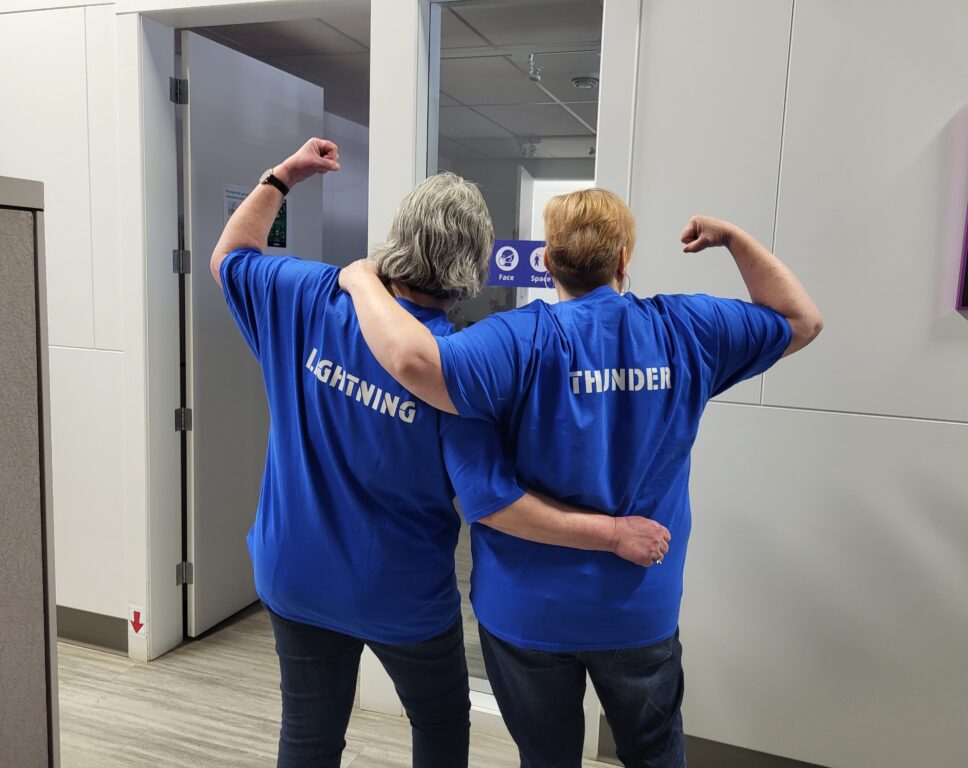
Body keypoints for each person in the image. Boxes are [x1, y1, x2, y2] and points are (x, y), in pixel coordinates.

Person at [210, 140, 672, 768]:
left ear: (396, 239)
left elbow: (231, 256)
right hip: (400, 595)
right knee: (440, 722)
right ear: (475, 270)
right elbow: (494, 501)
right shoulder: (457, 375)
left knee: (309, 736)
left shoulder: (309, 296)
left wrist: (284, 176)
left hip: (295, 574)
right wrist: (612, 530)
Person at [338, 187, 823, 767]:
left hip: (526, 614)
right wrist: (734, 239)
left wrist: (362, 279)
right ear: (623, 260)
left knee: (547, 759)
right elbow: (801, 318)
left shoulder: (509, 343)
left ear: (545, 263)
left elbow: (420, 371)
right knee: (654, 755)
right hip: (637, 608)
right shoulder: (687, 329)